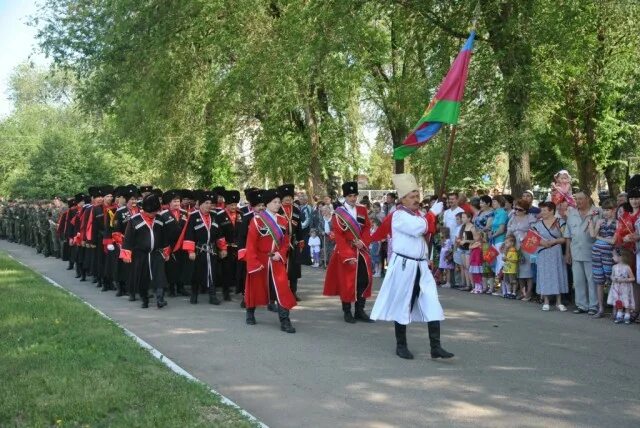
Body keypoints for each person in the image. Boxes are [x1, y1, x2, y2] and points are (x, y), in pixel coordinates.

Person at [371, 173, 453, 360]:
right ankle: (401, 345)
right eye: (412, 197)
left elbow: (428, 228)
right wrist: (432, 213)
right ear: (402, 199)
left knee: (432, 301)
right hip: (404, 266)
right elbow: (419, 228)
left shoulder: (420, 215)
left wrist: (433, 216)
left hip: (421, 266)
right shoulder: (399, 216)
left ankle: (436, 346)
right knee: (403, 304)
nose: (416, 200)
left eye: (417, 196)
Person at [244, 189, 297, 333]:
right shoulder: (257, 220)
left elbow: (286, 242)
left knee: (282, 290)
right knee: (255, 287)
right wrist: (253, 263)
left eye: (279, 202)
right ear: (267, 204)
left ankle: (285, 321)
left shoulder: (282, 220)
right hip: (260, 260)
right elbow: (251, 244)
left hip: (276, 260)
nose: (278, 204)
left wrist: (280, 254)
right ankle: (250, 312)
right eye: (275, 202)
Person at [323, 181, 374, 324]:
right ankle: (347, 311)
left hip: (361, 250)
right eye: (350, 196)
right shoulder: (338, 214)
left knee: (363, 281)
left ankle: (359, 310)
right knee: (347, 283)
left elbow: (366, 228)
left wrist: (362, 242)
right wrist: (347, 255)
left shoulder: (362, 210)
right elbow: (339, 236)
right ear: (345, 197)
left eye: (355, 195)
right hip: (346, 251)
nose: (353, 198)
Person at [120, 193, 170, 309]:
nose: (153, 214)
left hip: (156, 253)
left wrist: (166, 252)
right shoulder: (134, 220)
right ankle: (144, 299)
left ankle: (160, 298)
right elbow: (128, 239)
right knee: (143, 278)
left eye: (155, 212)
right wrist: (127, 255)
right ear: (145, 209)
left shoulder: (160, 219)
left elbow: (164, 237)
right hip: (140, 254)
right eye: (151, 212)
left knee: (160, 275)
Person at [181, 190, 228, 305]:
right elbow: (189, 234)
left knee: (212, 273)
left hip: (211, 250)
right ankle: (194, 294)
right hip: (198, 250)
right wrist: (190, 251)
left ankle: (212, 296)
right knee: (196, 273)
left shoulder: (215, 216)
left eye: (210, 203)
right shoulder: (193, 217)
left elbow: (220, 234)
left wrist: (223, 248)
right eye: (206, 203)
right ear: (200, 204)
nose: (208, 205)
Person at [564, 190, 601, 315]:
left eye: (580, 199)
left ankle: (593, 305)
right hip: (575, 251)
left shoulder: (597, 212)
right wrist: (567, 253)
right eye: (576, 199)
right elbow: (568, 235)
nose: (578, 201)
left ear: (587, 199)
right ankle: (581, 305)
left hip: (592, 251)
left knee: (592, 279)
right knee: (578, 280)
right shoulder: (572, 213)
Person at [532, 202, 568, 312]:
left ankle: (559, 301)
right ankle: (546, 301)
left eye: (544, 210)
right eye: (541, 210)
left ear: (551, 210)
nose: (542, 213)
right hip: (543, 251)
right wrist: (542, 243)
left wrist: (555, 241)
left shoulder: (560, 222)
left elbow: (565, 238)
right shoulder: (537, 224)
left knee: (557, 274)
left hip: (556, 251)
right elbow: (533, 239)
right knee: (544, 274)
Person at [157, 189, 190, 297]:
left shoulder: (185, 213)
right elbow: (161, 232)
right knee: (171, 267)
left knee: (182, 266)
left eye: (178, 201)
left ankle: (181, 287)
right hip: (169, 245)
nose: (177, 203)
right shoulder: (163, 215)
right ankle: (171, 288)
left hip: (182, 244)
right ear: (169, 203)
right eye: (174, 201)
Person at [588, 198, 617, 318]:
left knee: (612, 280)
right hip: (596, 253)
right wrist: (590, 221)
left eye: (608, 210)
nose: (605, 212)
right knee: (599, 281)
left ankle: (615, 309)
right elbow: (593, 235)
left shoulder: (618, 223)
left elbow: (613, 241)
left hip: (609, 254)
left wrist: (600, 238)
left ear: (614, 210)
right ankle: (600, 308)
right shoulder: (600, 221)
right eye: (604, 210)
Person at [237, 188, 265, 308]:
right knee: (248, 276)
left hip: (264, 253)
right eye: (258, 206)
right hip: (250, 252)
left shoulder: (268, 218)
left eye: (263, 205)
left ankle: (267, 299)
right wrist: (243, 252)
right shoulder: (247, 218)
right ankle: (246, 297)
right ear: (253, 206)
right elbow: (241, 237)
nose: (261, 208)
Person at [278, 184, 304, 301]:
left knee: (294, 269)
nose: (288, 199)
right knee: (281, 269)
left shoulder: (297, 209)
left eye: (290, 197)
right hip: (280, 243)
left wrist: (301, 240)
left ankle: (293, 292)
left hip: (293, 243)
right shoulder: (277, 209)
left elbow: (299, 227)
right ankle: (281, 292)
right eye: (285, 197)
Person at [507, 199, 536, 300]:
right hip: (515, 247)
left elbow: (534, 232)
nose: (516, 211)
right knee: (518, 271)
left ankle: (529, 292)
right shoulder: (513, 218)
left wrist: (525, 237)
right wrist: (506, 244)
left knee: (528, 271)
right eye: (515, 209)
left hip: (527, 246)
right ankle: (522, 292)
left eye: (519, 209)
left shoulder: (530, 218)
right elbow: (508, 232)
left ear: (525, 210)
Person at [608, 248, 636, 324]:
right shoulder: (614, 267)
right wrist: (613, 278)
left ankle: (627, 315)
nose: (612, 257)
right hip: (616, 288)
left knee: (626, 302)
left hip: (625, 288)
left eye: (614, 256)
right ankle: (619, 315)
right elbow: (611, 276)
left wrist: (624, 280)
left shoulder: (627, 267)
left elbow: (632, 278)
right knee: (618, 301)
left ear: (620, 257)